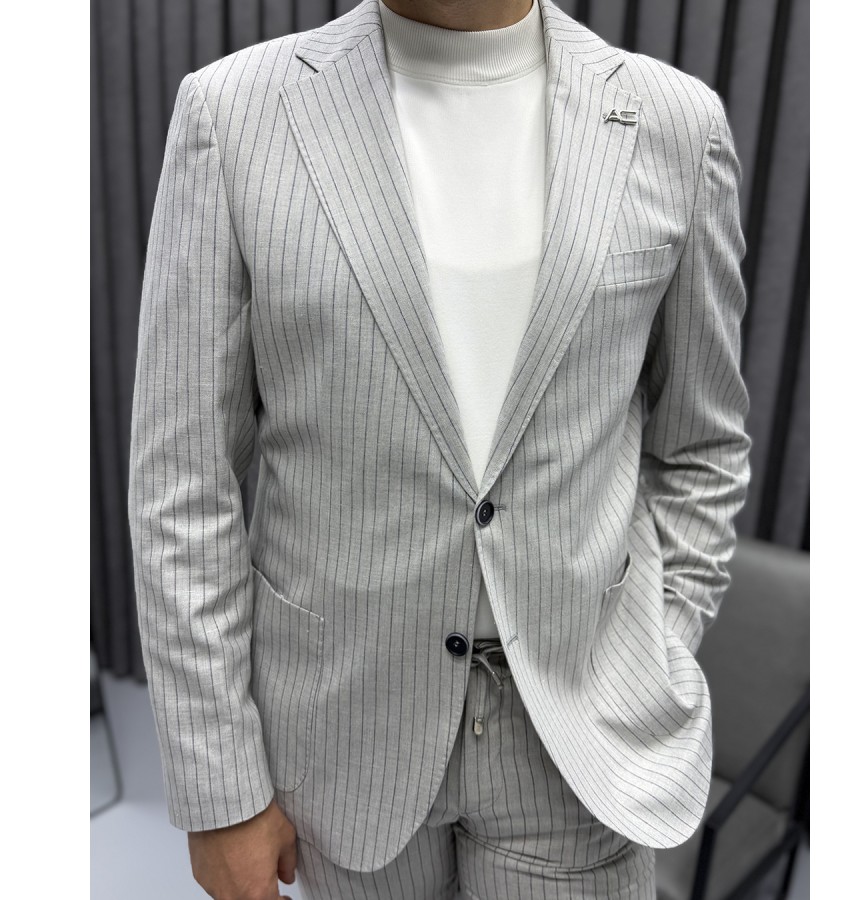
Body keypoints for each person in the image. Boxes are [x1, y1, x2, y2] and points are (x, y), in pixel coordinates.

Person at [127, 0, 752, 897]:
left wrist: (650, 645)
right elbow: (183, 480)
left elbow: (704, 445)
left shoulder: (675, 126)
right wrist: (217, 785)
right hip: (342, 736)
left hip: (579, 738)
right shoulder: (233, 115)